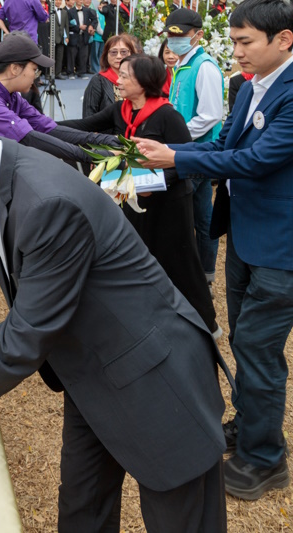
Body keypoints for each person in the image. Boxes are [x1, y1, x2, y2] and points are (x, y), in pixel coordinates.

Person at [0, 81, 230, 532]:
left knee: (181, 518)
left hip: (155, 377)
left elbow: (25, 335)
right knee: (82, 508)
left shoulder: (47, 202)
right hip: (93, 373)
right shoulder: (0, 172)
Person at [136, 0, 293, 501]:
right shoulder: (250, 86)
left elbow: (257, 159)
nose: (237, 52)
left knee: (258, 348)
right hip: (247, 237)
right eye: (236, 41)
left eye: (246, 42)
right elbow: (225, 143)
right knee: (246, 341)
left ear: (284, 39)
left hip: (281, 247)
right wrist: (169, 158)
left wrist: (175, 157)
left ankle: (265, 459)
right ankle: (250, 426)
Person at [60, 54, 220, 339]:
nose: (117, 81)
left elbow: (185, 164)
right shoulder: (120, 110)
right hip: (134, 199)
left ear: (144, 82)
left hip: (168, 204)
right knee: (137, 257)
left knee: (178, 261)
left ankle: (205, 324)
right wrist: (35, 126)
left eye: (124, 76)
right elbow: (82, 127)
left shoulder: (168, 116)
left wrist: (153, 182)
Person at [0, 33, 120, 166]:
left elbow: (49, 128)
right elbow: (29, 138)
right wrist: (98, 156)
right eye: (34, 70)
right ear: (15, 69)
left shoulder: (11, 96)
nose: (36, 76)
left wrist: (106, 140)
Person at [165, 8, 224, 297]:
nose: (173, 40)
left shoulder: (204, 67)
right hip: (187, 151)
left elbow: (210, 116)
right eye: (170, 35)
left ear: (198, 35)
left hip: (196, 154)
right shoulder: (183, 65)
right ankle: (200, 277)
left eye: (180, 35)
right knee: (200, 217)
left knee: (195, 219)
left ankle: (200, 278)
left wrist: (175, 139)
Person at [82, 34, 137, 125]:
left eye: (123, 52)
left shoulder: (138, 80)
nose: (119, 56)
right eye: (113, 52)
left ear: (131, 54)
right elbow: (88, 117)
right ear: (106, 55)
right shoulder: (98, 81)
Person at [67, 0, 97, 79]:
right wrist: (78, 27)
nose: (80, 1)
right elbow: (67, 24)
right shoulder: (70, 11)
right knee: (72, 55)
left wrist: (91, 26)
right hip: (74, 36)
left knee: (83, 55)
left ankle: (82, 72)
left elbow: (94, 19)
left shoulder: (87, 10)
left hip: (84, 36)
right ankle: (70, 73)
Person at [53, 0, 71, 80]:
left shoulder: (64, 12)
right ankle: (49, 73)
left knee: (60, 56)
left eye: (60, 0)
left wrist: (67, 37)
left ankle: (58, 73)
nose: (58, 2)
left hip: (61, 37)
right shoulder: (50, 11)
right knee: (51, 56)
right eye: (57, 0)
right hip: (52, 37)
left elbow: (66, 26)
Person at [88, 0, 106, 73]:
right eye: (102, 4)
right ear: (99, 5)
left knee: (101, 55)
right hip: (97, 37)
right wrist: (104, 34)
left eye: (105, 5)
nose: (104, 6)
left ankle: (100, 69)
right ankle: (95, 70)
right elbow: (97, 27)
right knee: (95, 55)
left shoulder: (106, 14)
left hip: (103, 39)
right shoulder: (97, 13)